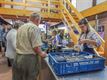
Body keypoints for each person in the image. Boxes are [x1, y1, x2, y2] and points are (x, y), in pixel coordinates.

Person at [12, 13, 47, 80]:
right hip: (28, 59)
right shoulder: (34, 27)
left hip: (17, 56)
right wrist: (42, 54)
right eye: (39, 21)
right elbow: (36, 46)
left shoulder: (21, 27)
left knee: (18, 77)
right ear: (37, 20)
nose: (39, 23)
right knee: (30, 77)